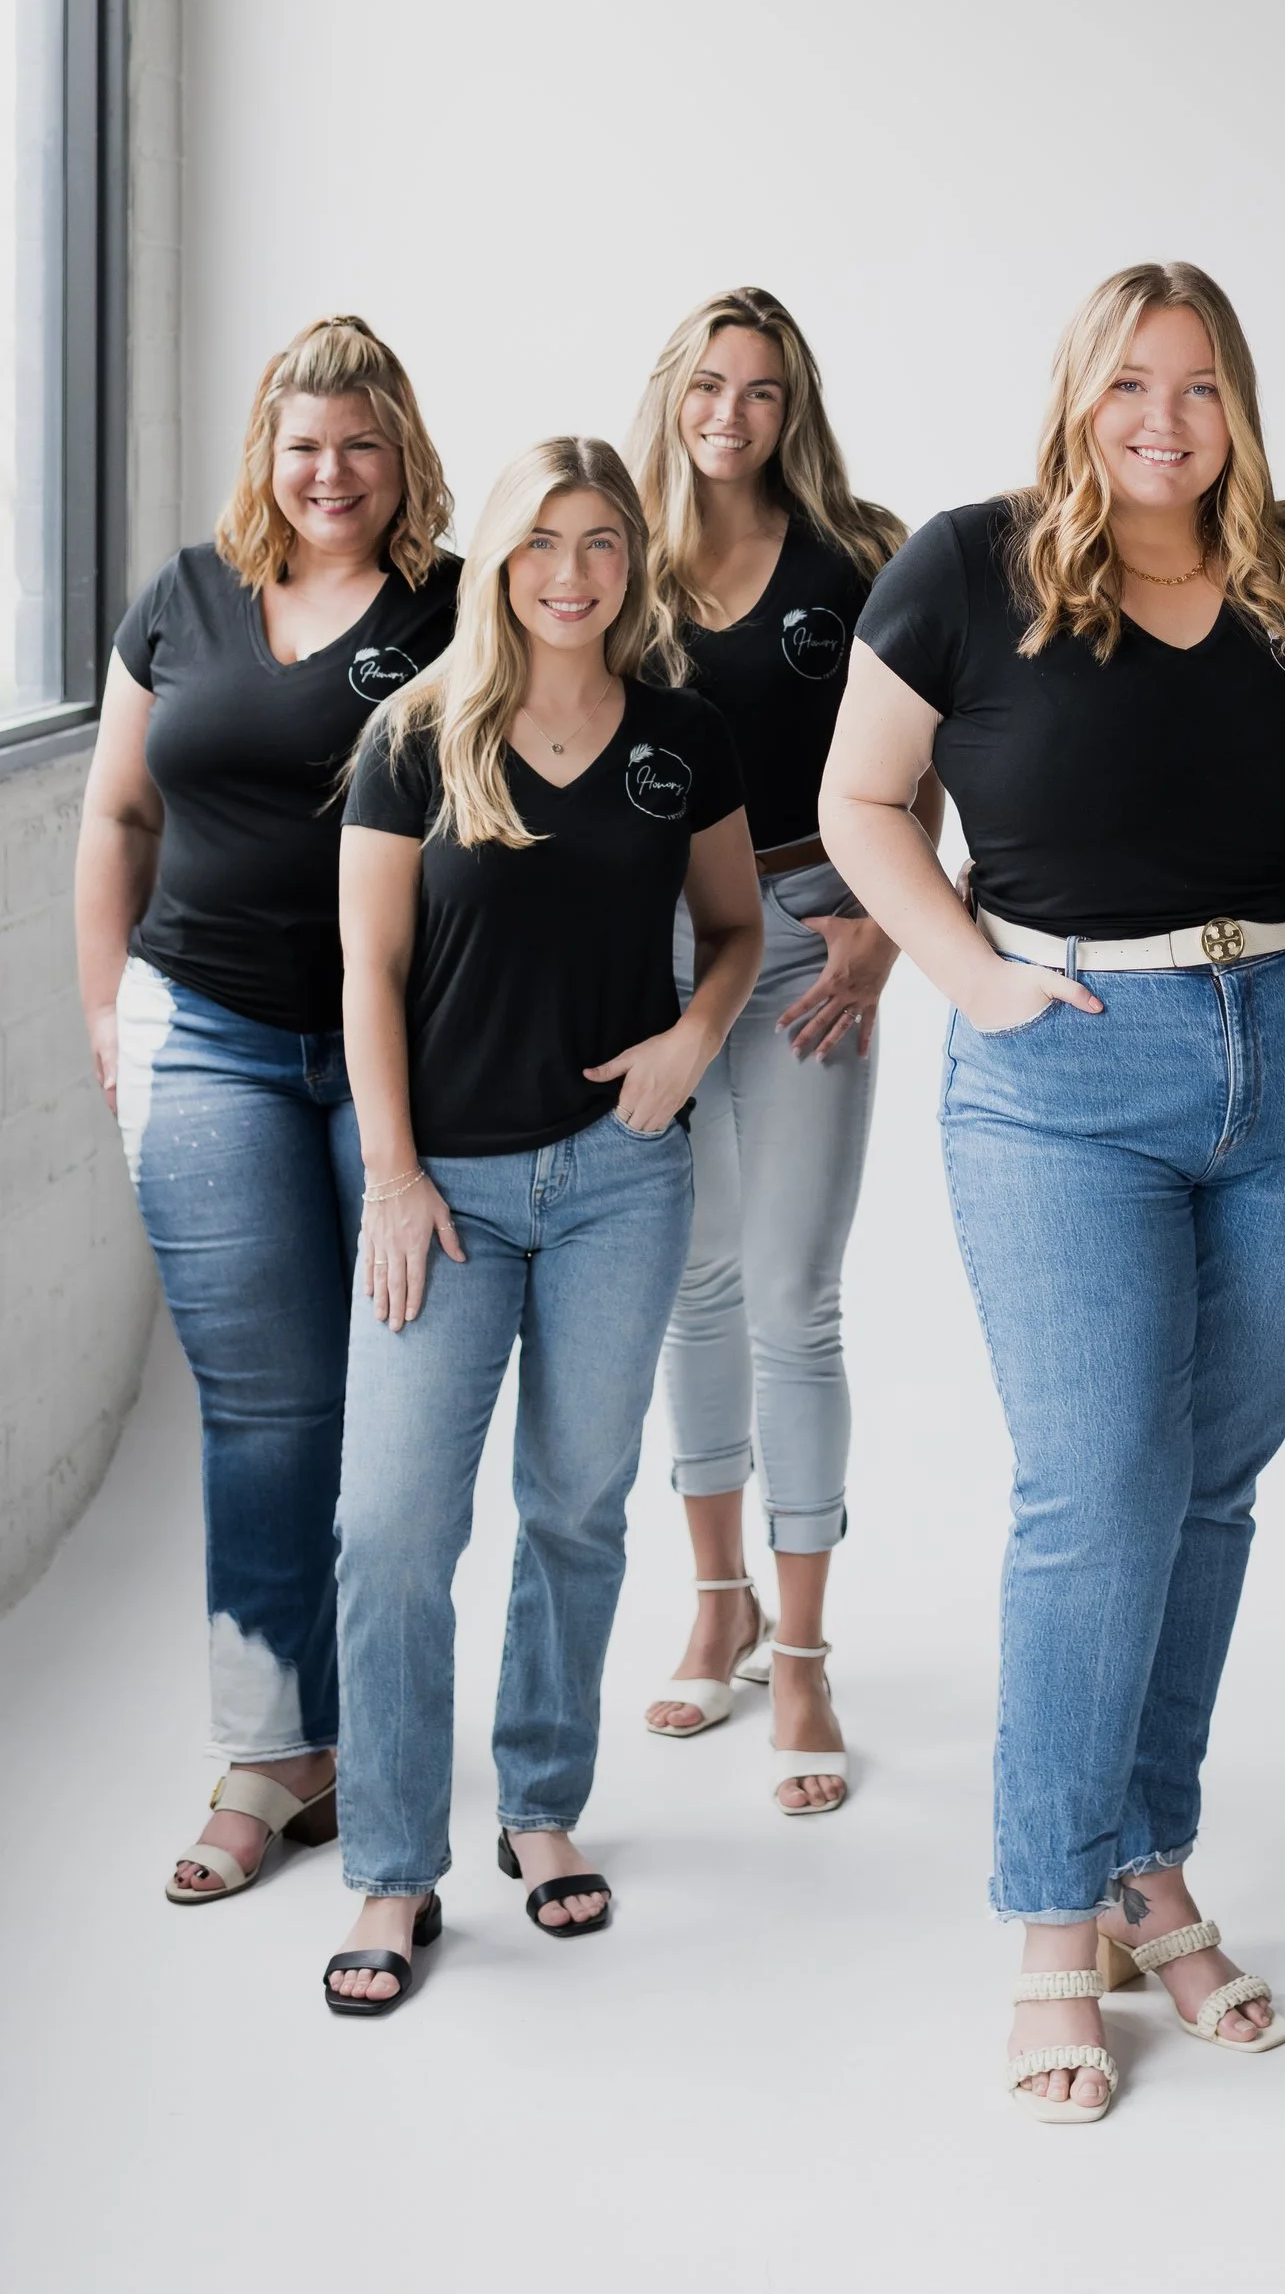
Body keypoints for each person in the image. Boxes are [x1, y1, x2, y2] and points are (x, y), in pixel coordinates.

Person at [824, 262, 1285, 2125]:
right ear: (1077, 392)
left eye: (1200, 385)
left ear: (1240, 406)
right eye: (1131, 382)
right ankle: (1058, 1916)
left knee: (1210, 1476)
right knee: (1096, 1486)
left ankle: (1150, 1860)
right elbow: (862, 803)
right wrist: (972, 979)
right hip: (1063, 1070)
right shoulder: (967, 566)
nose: (1165, 418)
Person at [320, 437, 762, 2014]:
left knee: (577, 1505)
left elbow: (735, 926)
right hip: (442, 1193)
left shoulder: (682, 737)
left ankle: (539, 1799)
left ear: (634, 560)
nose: (571, 574)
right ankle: (392, 1865)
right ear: (499, 559)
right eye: (540, 543)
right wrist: (393, 1177)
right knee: (392, 1528)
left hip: (620, 1177)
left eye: (601, 543)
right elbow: (369, 970)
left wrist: (696, 1036)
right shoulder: (414, 734)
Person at [72, 316, 458, 1909]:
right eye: (306, 444)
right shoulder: (182, 595)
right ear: (266, 453)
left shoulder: (460, 607)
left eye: (362, 444)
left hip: (401, 1057)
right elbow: (118, 811)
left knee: (397, 1412)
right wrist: (109, 1011)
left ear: (403, 455)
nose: (332, 472)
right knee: (264, 1407)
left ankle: (381, 1729)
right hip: (207, 1036)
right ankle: (269, 1753)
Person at [627, 287, 938, 1814]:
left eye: (760, 389)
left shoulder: (861, 554)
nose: (730, 413)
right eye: (709, 383)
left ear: (791, 405)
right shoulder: (611, 555)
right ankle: (719, 1604)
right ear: (672, 393)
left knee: (795, 1295)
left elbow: (923, 753)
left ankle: (803, 1655)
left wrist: (888, 927)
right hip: (659, 949)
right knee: (694, 1285)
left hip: (817, 931)